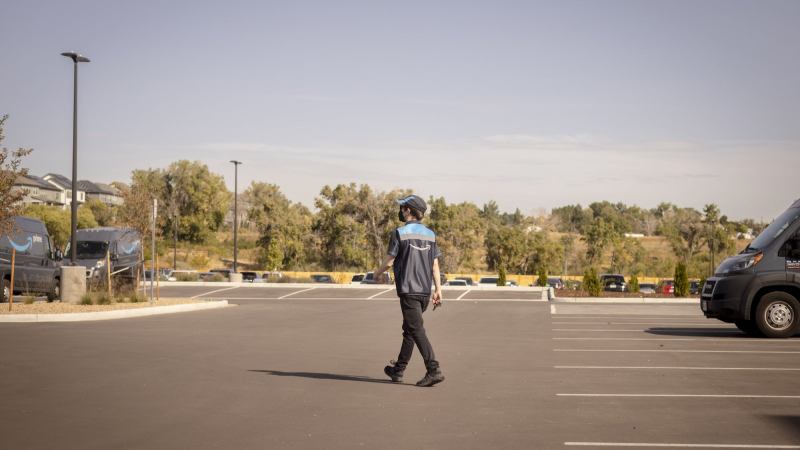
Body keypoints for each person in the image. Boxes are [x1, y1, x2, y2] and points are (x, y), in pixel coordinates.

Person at [373, 194, 445, 387]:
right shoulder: (430, 234)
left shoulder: (400, 233)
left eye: (402, 207)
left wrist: (376, 273)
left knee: (416, 329)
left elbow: (389, 261)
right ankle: (398, 370)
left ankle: (433, 369)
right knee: (410, 330)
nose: (400, 211)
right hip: (424, 292)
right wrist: (438, 290)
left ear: (408, 210)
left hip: (408, 290)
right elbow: (435, 265)